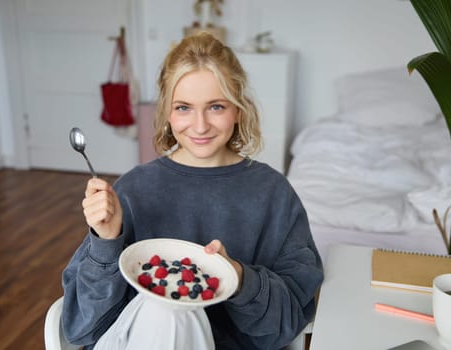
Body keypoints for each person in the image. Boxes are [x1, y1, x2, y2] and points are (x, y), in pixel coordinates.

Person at [61, 32, 324, 350]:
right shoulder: (133, 189)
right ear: (167, 114)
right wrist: (106, 242)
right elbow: (81, 329)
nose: (200, 126)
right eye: (184, 108)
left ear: (238, 109)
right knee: (165, 310)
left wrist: (239, 278)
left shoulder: (273, 194)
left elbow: (286, 324)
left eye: (216, 106)